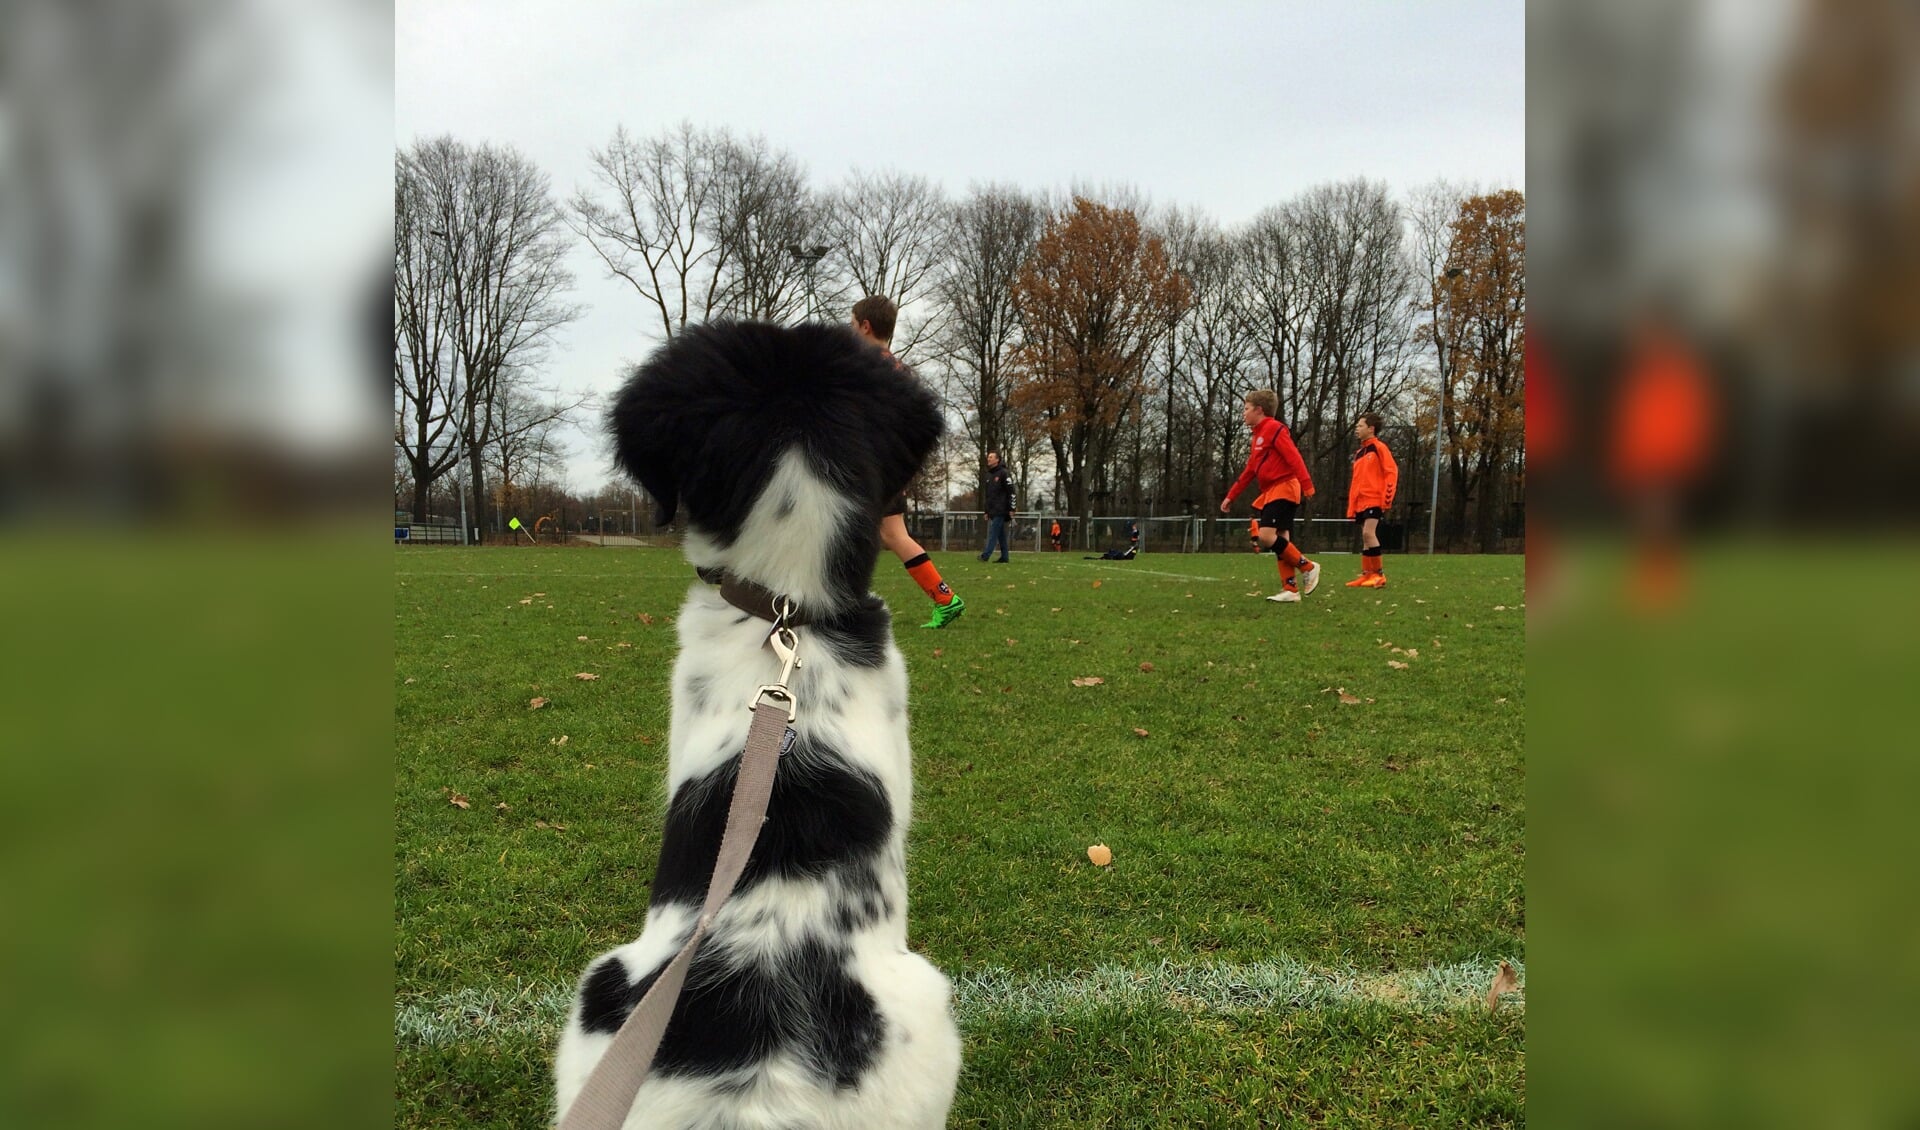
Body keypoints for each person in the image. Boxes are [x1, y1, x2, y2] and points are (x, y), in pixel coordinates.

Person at [853, 296, 965, 628]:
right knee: (890, 535)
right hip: (889, 468)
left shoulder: (864, 369)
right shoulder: (902, 371)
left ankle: (833, 608)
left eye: (852, 324)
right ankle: (945, 598)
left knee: (842, 532)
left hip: (870, 468)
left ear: (865, 326)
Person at [1220, 389, 1320, 602]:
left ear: (1259, 410)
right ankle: (1290, 590)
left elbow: (1294, 457)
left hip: (1284, 487)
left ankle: (1308, 566)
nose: (1243, 414)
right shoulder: (1257, 435)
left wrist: (1307, 485)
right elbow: (1250, 470)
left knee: (1266, 536)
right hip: (1272, 491)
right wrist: (1231, 496)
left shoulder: (1274, 429)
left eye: (1246, 409)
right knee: (1282, 539)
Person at [1345, 412, 1400, 588]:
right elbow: (1356, 482)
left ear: (1371, 428)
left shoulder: (1379, 447)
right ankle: (1367, 574)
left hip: (1374, 498)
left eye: (1360, 426)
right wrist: (1352, 505)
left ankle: (1378, 574)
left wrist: (1387, 497)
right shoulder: (1360, 452)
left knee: (1369, 533)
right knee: (1365, 537)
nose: (1357, 429)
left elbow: (1391, 471)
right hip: (1361, 501)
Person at [977, 451, 1013, 563]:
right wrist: (986, 511)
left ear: (997, 460)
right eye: (988, 457)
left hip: (1001, 509)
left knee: (993, 532)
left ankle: (985, 555)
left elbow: (1011, 491)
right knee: (1000, 534)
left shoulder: (1004, 473)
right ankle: (1005, 557)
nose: (989, 459)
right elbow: (988, 495)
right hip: (993, 510)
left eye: (991, 457)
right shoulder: (988, 475)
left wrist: (1012, 508)